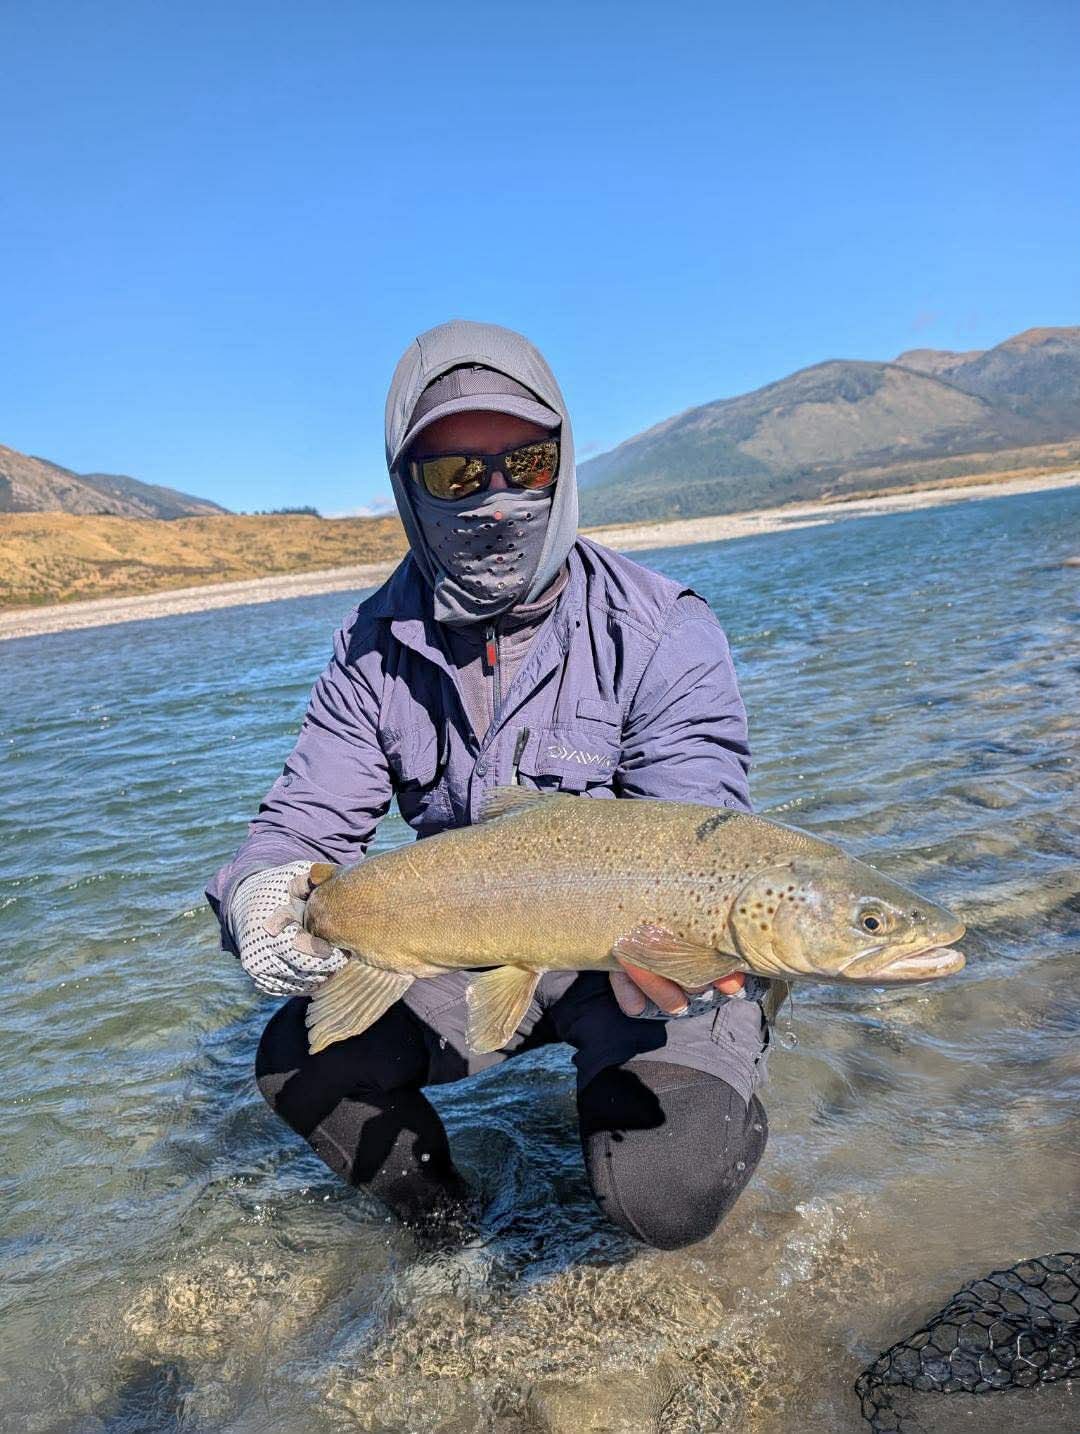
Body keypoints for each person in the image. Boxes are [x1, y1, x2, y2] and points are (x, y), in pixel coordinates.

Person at [206, 320, 773, 1250]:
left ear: (563, 463)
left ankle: (737, 1032)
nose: (497, 499)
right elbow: (304, 822)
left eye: (527, 463)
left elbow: (704, 830)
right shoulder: (368, 649)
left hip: (631, 957)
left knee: (664, 1192)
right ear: (407, 488)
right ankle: (453, 1238)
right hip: (472, 947)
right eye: (456, 475)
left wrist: (695, 962)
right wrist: (261, 899)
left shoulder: (661, 626)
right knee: (296, 1060)